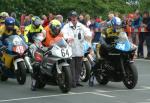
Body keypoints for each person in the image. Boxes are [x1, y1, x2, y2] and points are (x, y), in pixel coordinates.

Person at [61, 11, 92, 88]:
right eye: (72, 17)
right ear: (70, 18)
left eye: (75, 17)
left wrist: (88, 36)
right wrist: (67, 38)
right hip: (71, 50)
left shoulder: (81, 26)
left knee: (79, 67)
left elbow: (87, 32)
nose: (74, 18)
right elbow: (63, 33)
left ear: (77, 17)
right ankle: (72, 82)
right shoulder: (66, 26)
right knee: (71, 67)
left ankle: (77, 81)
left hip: (80, 49)